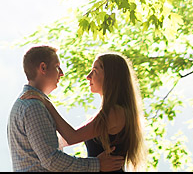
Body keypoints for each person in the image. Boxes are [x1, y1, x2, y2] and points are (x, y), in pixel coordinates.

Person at [20, 52, 148, 171]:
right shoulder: (107, 113)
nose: (88, 77)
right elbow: (63, 141)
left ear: (110, 77)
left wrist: (47, 103)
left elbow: (71, 137)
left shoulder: (114, 113)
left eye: (94, 71)